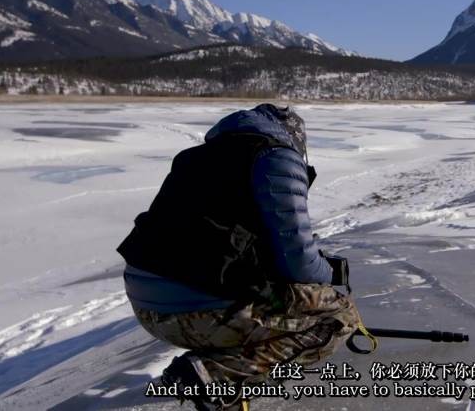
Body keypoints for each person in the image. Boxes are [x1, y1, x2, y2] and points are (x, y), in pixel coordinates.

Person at [117, 104, 360, 411]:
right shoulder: (277, 157)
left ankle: (220, 378)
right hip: (193, 311)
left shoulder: (200, 157)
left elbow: (220, 236)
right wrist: (330, 272)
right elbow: (299, 262)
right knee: (337, 316)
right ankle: (212, 377)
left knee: (281, 299)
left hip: (146, 304)